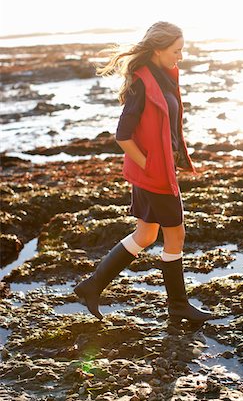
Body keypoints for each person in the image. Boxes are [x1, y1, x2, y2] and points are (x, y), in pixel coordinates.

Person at [74, 21, 213, 324]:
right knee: (175, 235)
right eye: (176, 50)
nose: (181, 56)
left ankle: (92, 286)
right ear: (158, 49)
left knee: (146, 234)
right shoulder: (142, 83)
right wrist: (150, 165)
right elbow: (123, 135)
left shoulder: (162, 76)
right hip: (154, 175)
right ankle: (178, 306)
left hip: (154, 172)